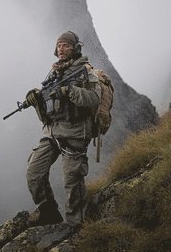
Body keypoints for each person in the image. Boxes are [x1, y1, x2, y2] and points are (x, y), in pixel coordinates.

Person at [25, 31, 101, 228]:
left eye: (66, 45)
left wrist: (69, 91)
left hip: (75, 134)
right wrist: (35, 99)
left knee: (72, 182)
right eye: (59, 45)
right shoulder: (53, 73)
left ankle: (76, 228)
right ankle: (49, 213)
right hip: (52, 133)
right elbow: (47, 113)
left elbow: (94, 99)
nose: (61, 48)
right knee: (34, 172)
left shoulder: (86, 71)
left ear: (75, 48)